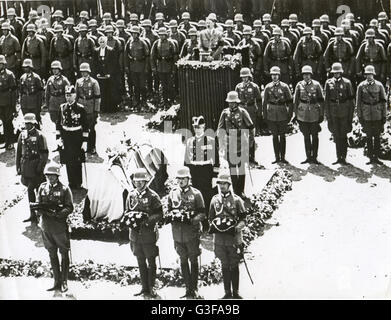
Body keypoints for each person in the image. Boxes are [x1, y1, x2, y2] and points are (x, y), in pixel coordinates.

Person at [167, 167, 205, 299]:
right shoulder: (172, 193)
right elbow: (168, 210)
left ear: (189, 179)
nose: (181, 181)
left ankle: (194, 288)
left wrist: (193, 220)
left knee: (193, 259)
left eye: (183, 179)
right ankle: (187, 288)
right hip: (177, 234)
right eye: (179, 179)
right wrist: (172, 216)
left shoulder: (196, 194)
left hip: (191, 234)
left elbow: (202, 213)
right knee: (183, 259)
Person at [36, 163, 74, 293]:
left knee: (63, 253)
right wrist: (41, 212)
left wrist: (57, 214)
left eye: (52, 176)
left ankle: (64, 281)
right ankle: (56, 280)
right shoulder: (42, 187)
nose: (50, 178)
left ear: (57, 176)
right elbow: (38, 205)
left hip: (59, 227)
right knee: (52, 253)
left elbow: (69, 207)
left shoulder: (64, 189)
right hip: (46, 227)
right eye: (48, 175)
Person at [126, 168, 163, 298]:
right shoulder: (131, 195)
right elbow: (127, 212)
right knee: (140, 260)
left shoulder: (153, 196)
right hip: (135, 235)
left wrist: (147, 220)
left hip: (148, 234)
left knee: (151, 261)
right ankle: (144, 287)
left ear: (146, 181)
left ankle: (152, 286)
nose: (139, 184)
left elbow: (159, 213)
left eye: (141, 181)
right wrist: (131, 219)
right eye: (136, 181)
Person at [209, 172, 246, 299]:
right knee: (224, 264)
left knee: (234, 264)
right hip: (219, 240)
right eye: (219, 183)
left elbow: (243, 220)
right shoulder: (214, 200)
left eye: (224, 183)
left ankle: (235, 292)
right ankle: (227, 292)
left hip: (233, 239)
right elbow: (211, 218)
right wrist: (217, 226)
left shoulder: (236, 200)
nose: (222, 186)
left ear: (229, 184)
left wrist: (235, 228)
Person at [217, 91, 255, 198]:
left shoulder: (243, 112)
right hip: (230, 143)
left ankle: (241, 190)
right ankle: (235, 191)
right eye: (229, 102)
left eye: (233, 102)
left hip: (241, 142)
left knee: (241, 168)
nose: (231, 104)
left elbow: (251, 127)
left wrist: (251, 141)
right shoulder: (224, 113)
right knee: (232, 169)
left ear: (237, 102)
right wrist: (221, 144)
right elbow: (220, 129)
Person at [184, 115, 219, 229]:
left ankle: (209, 221)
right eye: (195, 127)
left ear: (204, 127)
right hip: (195, 171)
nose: (197, 129)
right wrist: (186, 176)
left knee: (207, 196)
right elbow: (186, 161)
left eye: (199, 127)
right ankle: (201, 221)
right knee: (196, 196)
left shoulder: (210, 140)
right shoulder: (190, 141)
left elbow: (216, 160)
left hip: (206, 171)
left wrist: (215, 176)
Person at [16, 113, 48, 223]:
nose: (28, 125)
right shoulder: (22, 135)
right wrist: (18, 167)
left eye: (30, 123)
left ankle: (40, 213)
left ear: (34, 123)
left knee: (35, 190)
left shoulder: (40, 136)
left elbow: (44, 154)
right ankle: (33, 214)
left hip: (36, 168)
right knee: (31, 191)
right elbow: (19, 152)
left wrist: (40, 168)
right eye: (26, 123)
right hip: (26, 167)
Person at [56, 85, 89, 189]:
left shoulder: (80, 108)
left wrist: (85, 141)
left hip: (77, 137)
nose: (68, 97)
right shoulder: (62, 108)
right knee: (68, 160)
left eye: (70, 95)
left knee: (77, 160)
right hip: (66, 137)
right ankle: (71, 182)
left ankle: (78, 182)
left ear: (74, 96)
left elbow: (85, 126)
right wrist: (58, 138)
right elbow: (58, 125)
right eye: (66, 95)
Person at [324, 63, 355, 165]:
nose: (336, 74)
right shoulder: (328, 83)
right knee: (336, 135)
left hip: (344, 111)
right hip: (333, 111)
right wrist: (328, 115)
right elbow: (326, 100)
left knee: (343, 134)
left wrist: (351, 115)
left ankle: (344, 157)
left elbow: (351, 100)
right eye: (334, 72)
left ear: (341, 72)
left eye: (338, 72)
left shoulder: (347, 83)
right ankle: (338, 157)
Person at [356, 65, 387, 165]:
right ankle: (370, 157)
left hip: (377, 113)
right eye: (367, 74)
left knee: (377, 136)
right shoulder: (361, 86)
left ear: (373, 74)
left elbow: (384, 101)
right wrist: (360, 116)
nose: (369, 76)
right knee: (368, 136)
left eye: (371, 74)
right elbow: (358, 102)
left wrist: (384, 115)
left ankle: (377, 157)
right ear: (365, 75)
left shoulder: (379, 85)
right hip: (366, 114)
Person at [293, 65, 325, 164]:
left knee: (315, 135)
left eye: (308, 74)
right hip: (303, 113)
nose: (306, 76)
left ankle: (314, 157)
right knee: (306, 136)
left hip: (314, 113)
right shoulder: (299, 85)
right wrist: (295, 114)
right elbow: (296, 100)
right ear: (302, 76)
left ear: (311, 75)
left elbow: (321, 100)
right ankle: (308, 156)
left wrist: (321, 113)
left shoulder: (316, 85)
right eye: (304, 75)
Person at [263, 66, 293, 163]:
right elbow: (264, 103)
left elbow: (290, 102)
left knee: (282, 136)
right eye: (273, 75)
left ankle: (283, 157)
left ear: (279, 75)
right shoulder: (268, 87)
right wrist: (265, 115)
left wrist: (289, 114)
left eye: (276, 75)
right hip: (271, 114)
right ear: (271, 76)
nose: (274, 77)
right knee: (275, 136)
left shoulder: (284, 87)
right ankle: (277, 157)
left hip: (282, 113)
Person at [75, 63, 101, 154]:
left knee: (91, 128)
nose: (83, 73)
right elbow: (76, 96)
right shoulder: (78, 82)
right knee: (81, 128)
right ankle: (82, 146)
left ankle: (92, 147)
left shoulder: (94, 82)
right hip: (81, 106)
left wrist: (96, 111)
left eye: (85, 71)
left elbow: (97, 98)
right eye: (82, 71)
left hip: (90, 108)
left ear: (88, 71)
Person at [150, 28, 177, 108]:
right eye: (160, 35)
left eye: (163, 35)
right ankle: (164, 101)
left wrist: (174, 68)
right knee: (163, 85)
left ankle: (171, 100)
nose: (161, 36)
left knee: (170, 85)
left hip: (169, 66)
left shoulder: (171, 43)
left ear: (166, 35)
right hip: (160, 67)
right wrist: (153, 67)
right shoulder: (156, 43)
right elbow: (152, 56)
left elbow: (175, 57)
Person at [124, 26, 150, 111]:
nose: (134, 35)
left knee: (142, 85)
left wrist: (146, 67)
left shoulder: (143, 42)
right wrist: (127, 66)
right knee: (135, 85)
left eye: (135, 33)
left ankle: (144, 101)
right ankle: (136, 101)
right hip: (133, 67)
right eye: (132, 33)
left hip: (141, 66)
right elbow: (126, 54)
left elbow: (147, 56)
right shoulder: (129, 42)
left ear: (138, 34)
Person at [235, 67, 262, 145]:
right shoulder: (238, 87)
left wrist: (259, 111)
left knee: (251, 126)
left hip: (251, 109)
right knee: (242, 127)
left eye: (246, 77)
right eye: (243, 77)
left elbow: (259, 100)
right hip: (242, 108)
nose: (244, 79)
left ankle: (251, 143)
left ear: (249, 77)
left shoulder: (254, 86)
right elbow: (236, 100)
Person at [0, 55, 17, 150]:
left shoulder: (9, 75)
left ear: (4, 64)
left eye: (0, 64)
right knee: (3, 122)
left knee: (8, 122)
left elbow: (14, 91)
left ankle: (10, 142)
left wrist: (13, 105)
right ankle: (6, 141)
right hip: (0, 102)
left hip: (8, 102)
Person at [19, 58, 43, 125]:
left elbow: (40, 92)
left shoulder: (36, 78)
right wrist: (21, 101)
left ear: (30, 67)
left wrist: (39, 105)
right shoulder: (22, 77)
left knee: (35, 120)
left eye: (27, 67)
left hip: (33, 102)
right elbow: (20, 91)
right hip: (25, 102)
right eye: (24, 67)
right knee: (26, 120)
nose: (25, 69)